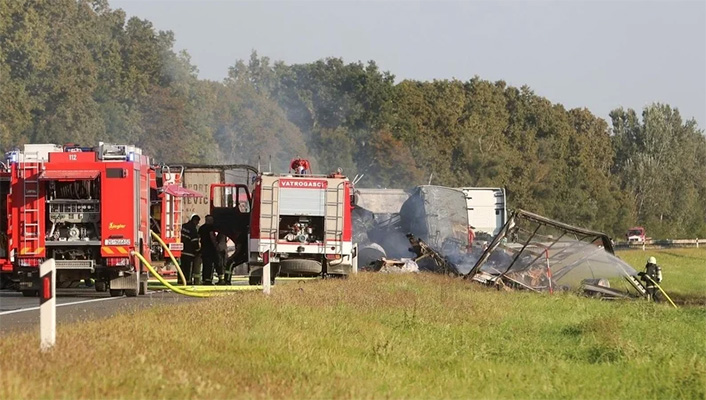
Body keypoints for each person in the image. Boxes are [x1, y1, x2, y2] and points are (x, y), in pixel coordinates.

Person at [179, 214, 200, 285]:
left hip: (181, 251)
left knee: (181, 267)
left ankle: (180, 280)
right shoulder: (193, 228)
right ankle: (188, 281)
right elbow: (194, 241)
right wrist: (197, 250)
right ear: (195, 221)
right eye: (197, 222)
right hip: (189, 252)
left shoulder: (183, 226)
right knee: (189, 268)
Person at [198, 215, 219, 285]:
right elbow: (212, 237)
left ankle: (204, 279)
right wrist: (216, 246)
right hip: (210, 249)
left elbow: (199, 238)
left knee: (205, 264)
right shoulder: (210, 228)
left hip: (204, 249)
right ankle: (208, 280)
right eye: (211, 220)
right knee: (210, 265)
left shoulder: (201, 228)